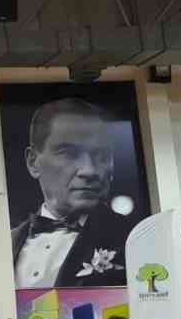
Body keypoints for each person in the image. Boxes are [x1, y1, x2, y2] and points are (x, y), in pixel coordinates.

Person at [10, 97, 137, 288]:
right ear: (33, 162)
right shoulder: (4, 243)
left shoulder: (135, 239)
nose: (90, 170)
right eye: (69, 153)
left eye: (100, 155)